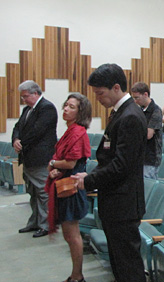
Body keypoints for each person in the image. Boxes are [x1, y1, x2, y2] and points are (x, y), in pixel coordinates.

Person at [72, 63, 147, 282]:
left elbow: (121, 166)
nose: (97, 98)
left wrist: (89, 180)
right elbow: (108, 157)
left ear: (116, 87)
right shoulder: (119, 114)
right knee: (119, 262)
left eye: (100, 93)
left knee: (128, 265)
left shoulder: (130, 116)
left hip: (123, 203)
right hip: (114, 200)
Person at [44, 93, 92, 282]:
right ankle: (75, 275)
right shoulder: (70, 131)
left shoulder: (78, 132)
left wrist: (54, 163)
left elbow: (70, 164)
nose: (65, 109)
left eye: (72, 107)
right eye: (66, 105)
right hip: (65, 184)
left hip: (72, 188)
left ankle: (77, 276)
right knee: (69, 235)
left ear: (80, 112)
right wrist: (55, 168)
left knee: (72, 236)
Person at [12, 80, 58, 238]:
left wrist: (22, 142)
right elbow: (17, 127)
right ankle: (35, 222)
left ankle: (46, 225)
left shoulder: (47, 108)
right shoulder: (27, 110)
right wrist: (15, 140)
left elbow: (37, 131)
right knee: (32, 192)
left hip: (41, 159)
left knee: (43, 192)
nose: (23, 100)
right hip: (29, 158)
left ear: (35, 93)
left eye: (25, 96)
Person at [132, 82, 162, 179]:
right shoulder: (140, 110)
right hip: (140, 155)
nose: (135, 101)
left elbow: (148, 135)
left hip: (151, 157)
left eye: (137, 98)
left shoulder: (155, 110)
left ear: (145, 94)